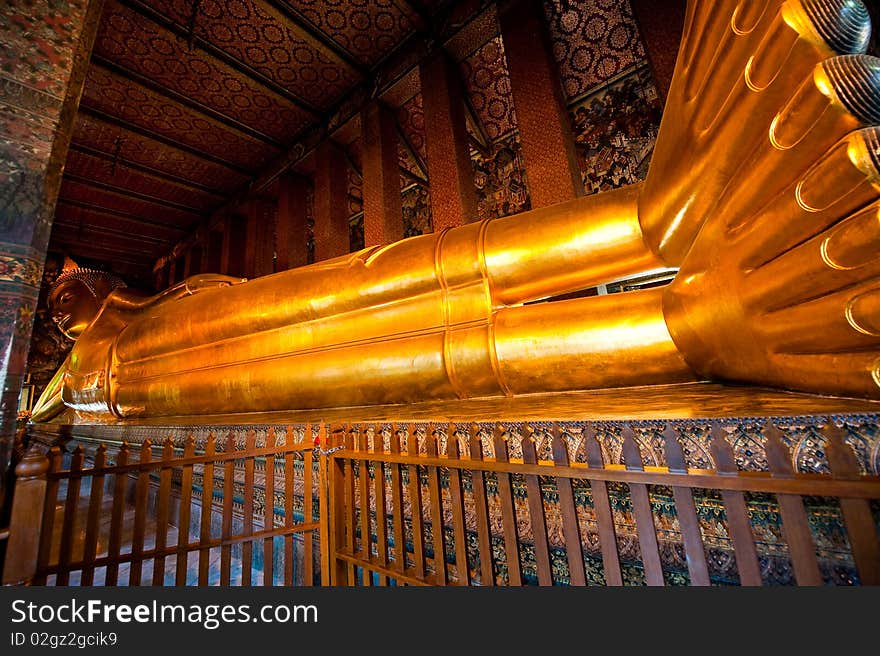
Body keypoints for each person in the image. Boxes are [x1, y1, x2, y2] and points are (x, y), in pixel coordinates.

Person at [29, 0, 880, 422]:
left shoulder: (131, 311)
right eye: (60, 305)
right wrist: (73, 378)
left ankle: (657, 220)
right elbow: (49, 401)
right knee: (359, 362)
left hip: (182, 332)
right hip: (157, 382)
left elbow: (159, 298)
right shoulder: (82, 375)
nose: (66, 301)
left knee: (366, 285)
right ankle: (676, 324)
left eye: (72, 287)